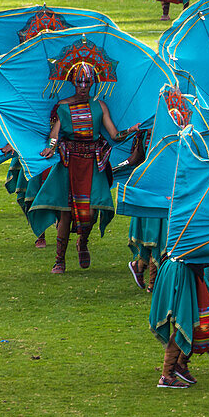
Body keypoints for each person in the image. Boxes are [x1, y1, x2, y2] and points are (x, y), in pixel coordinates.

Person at [33, 61, 139, 273]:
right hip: (69, 162)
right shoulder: (63, 106)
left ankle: (83, 241)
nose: (83, 86)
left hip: (93, 162)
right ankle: (59, 260)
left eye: (87, 82)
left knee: (90, 213)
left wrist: (131, 130)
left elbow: (115, 135)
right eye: (79, 82)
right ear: (73, 82)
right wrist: (51, 147)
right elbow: (55, 134)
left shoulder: (100, 106)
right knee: (65, 212)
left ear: (93, 83)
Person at [149, 256, 209, 388]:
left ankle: (180, 363)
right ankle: (166, 376)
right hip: (180, 271)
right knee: (184, 323)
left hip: (190, 270)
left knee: (200, 322)